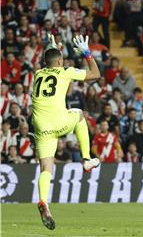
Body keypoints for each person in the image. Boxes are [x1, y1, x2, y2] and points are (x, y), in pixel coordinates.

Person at [32, 34, 101, 230]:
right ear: (61, 61)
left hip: (41, 126)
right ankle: (86, 159)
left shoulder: (38, 74)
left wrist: (55, 48)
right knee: (79, 114)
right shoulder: (65, 71)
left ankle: (43, 201)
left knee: (46, 167)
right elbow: (95, 74)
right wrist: (87, 53)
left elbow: (51, 63)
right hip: (58, 122)